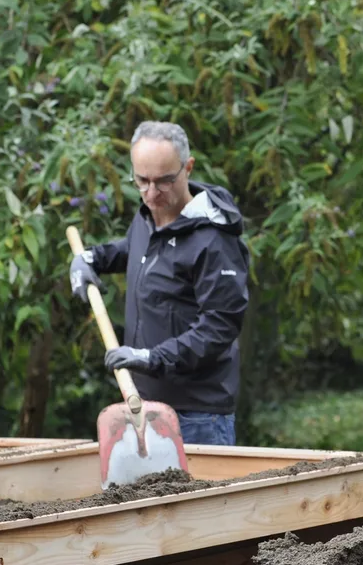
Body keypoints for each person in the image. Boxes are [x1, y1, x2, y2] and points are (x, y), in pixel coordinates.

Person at [69, 121, 250, 446]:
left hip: (197, 416)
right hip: (143, 405)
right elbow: (139, 251)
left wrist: (153, 358)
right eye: (142, 181)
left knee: (201, 499)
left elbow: (219, 328)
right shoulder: (149, 216)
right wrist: (92, 258)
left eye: (164, 181)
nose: (152, 193)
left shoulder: (213, 241)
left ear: (187, 167)